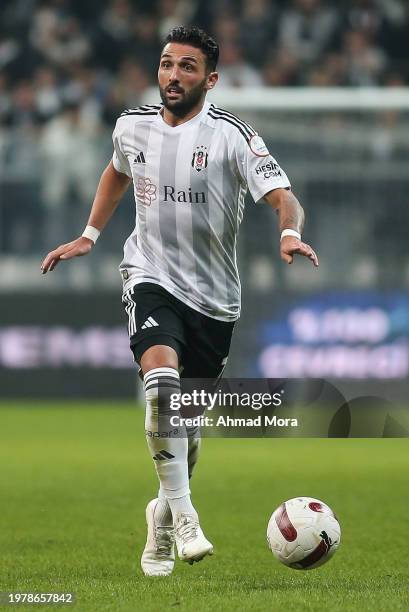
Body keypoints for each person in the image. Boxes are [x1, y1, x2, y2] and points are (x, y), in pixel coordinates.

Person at [41, 25, 318, 577]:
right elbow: (117, 172)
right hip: (150, 273)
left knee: (186, 434)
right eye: (167, 64)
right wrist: (90, 236)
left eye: (187, 67)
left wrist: (288, 233)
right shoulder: (131, 125)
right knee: (161, 388)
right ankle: (187, 518)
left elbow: (284, 197)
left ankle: (162, 515)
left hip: (215, 301)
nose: (173, 75)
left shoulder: (232, 137)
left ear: (210, 79)